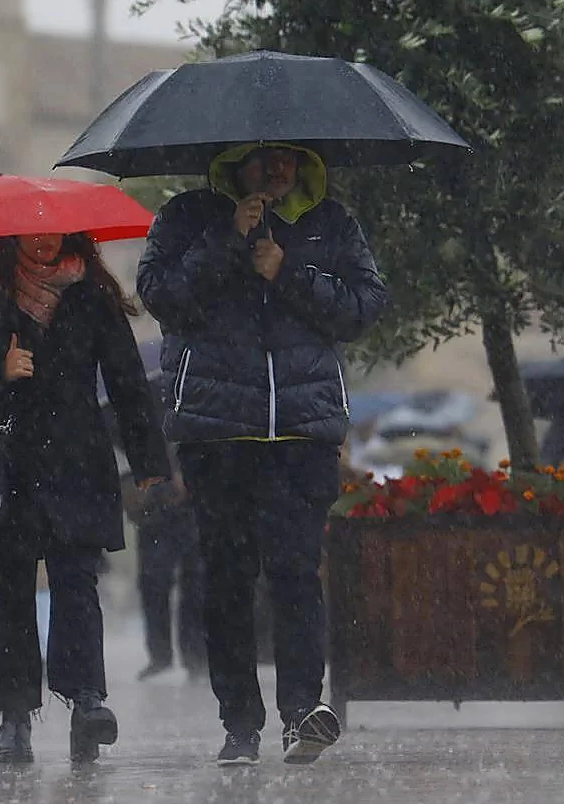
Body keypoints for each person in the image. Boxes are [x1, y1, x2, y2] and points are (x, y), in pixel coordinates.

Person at [137, 143, 388, 765]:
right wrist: (227, 240)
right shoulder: (187, 217)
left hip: (300, 434)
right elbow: (162, 296)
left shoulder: (332, 223)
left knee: (297, 573)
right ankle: (239, 723)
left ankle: (302, 712)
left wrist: (291, 272)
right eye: (262, 160)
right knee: (225, 581)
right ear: (233, 165)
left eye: (288, 159)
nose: (276, 171)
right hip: (218, 434)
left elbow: (363, 308)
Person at [0, 232, 170, 764]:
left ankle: (87, 701)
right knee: (9, 590)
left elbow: (125, 377)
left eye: (51, 228)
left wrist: (148, 459)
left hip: (76, 459)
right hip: (6, 455)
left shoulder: (89, 295)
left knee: (77, 581)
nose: (42, 238)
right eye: (31, 229)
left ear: (69, 234)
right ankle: (15, 716)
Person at [125, 450, 206, 682]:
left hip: (188, 498)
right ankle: (163, 656)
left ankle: (194, 654)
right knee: (155, 580)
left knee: (194, 581)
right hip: (154, 498)